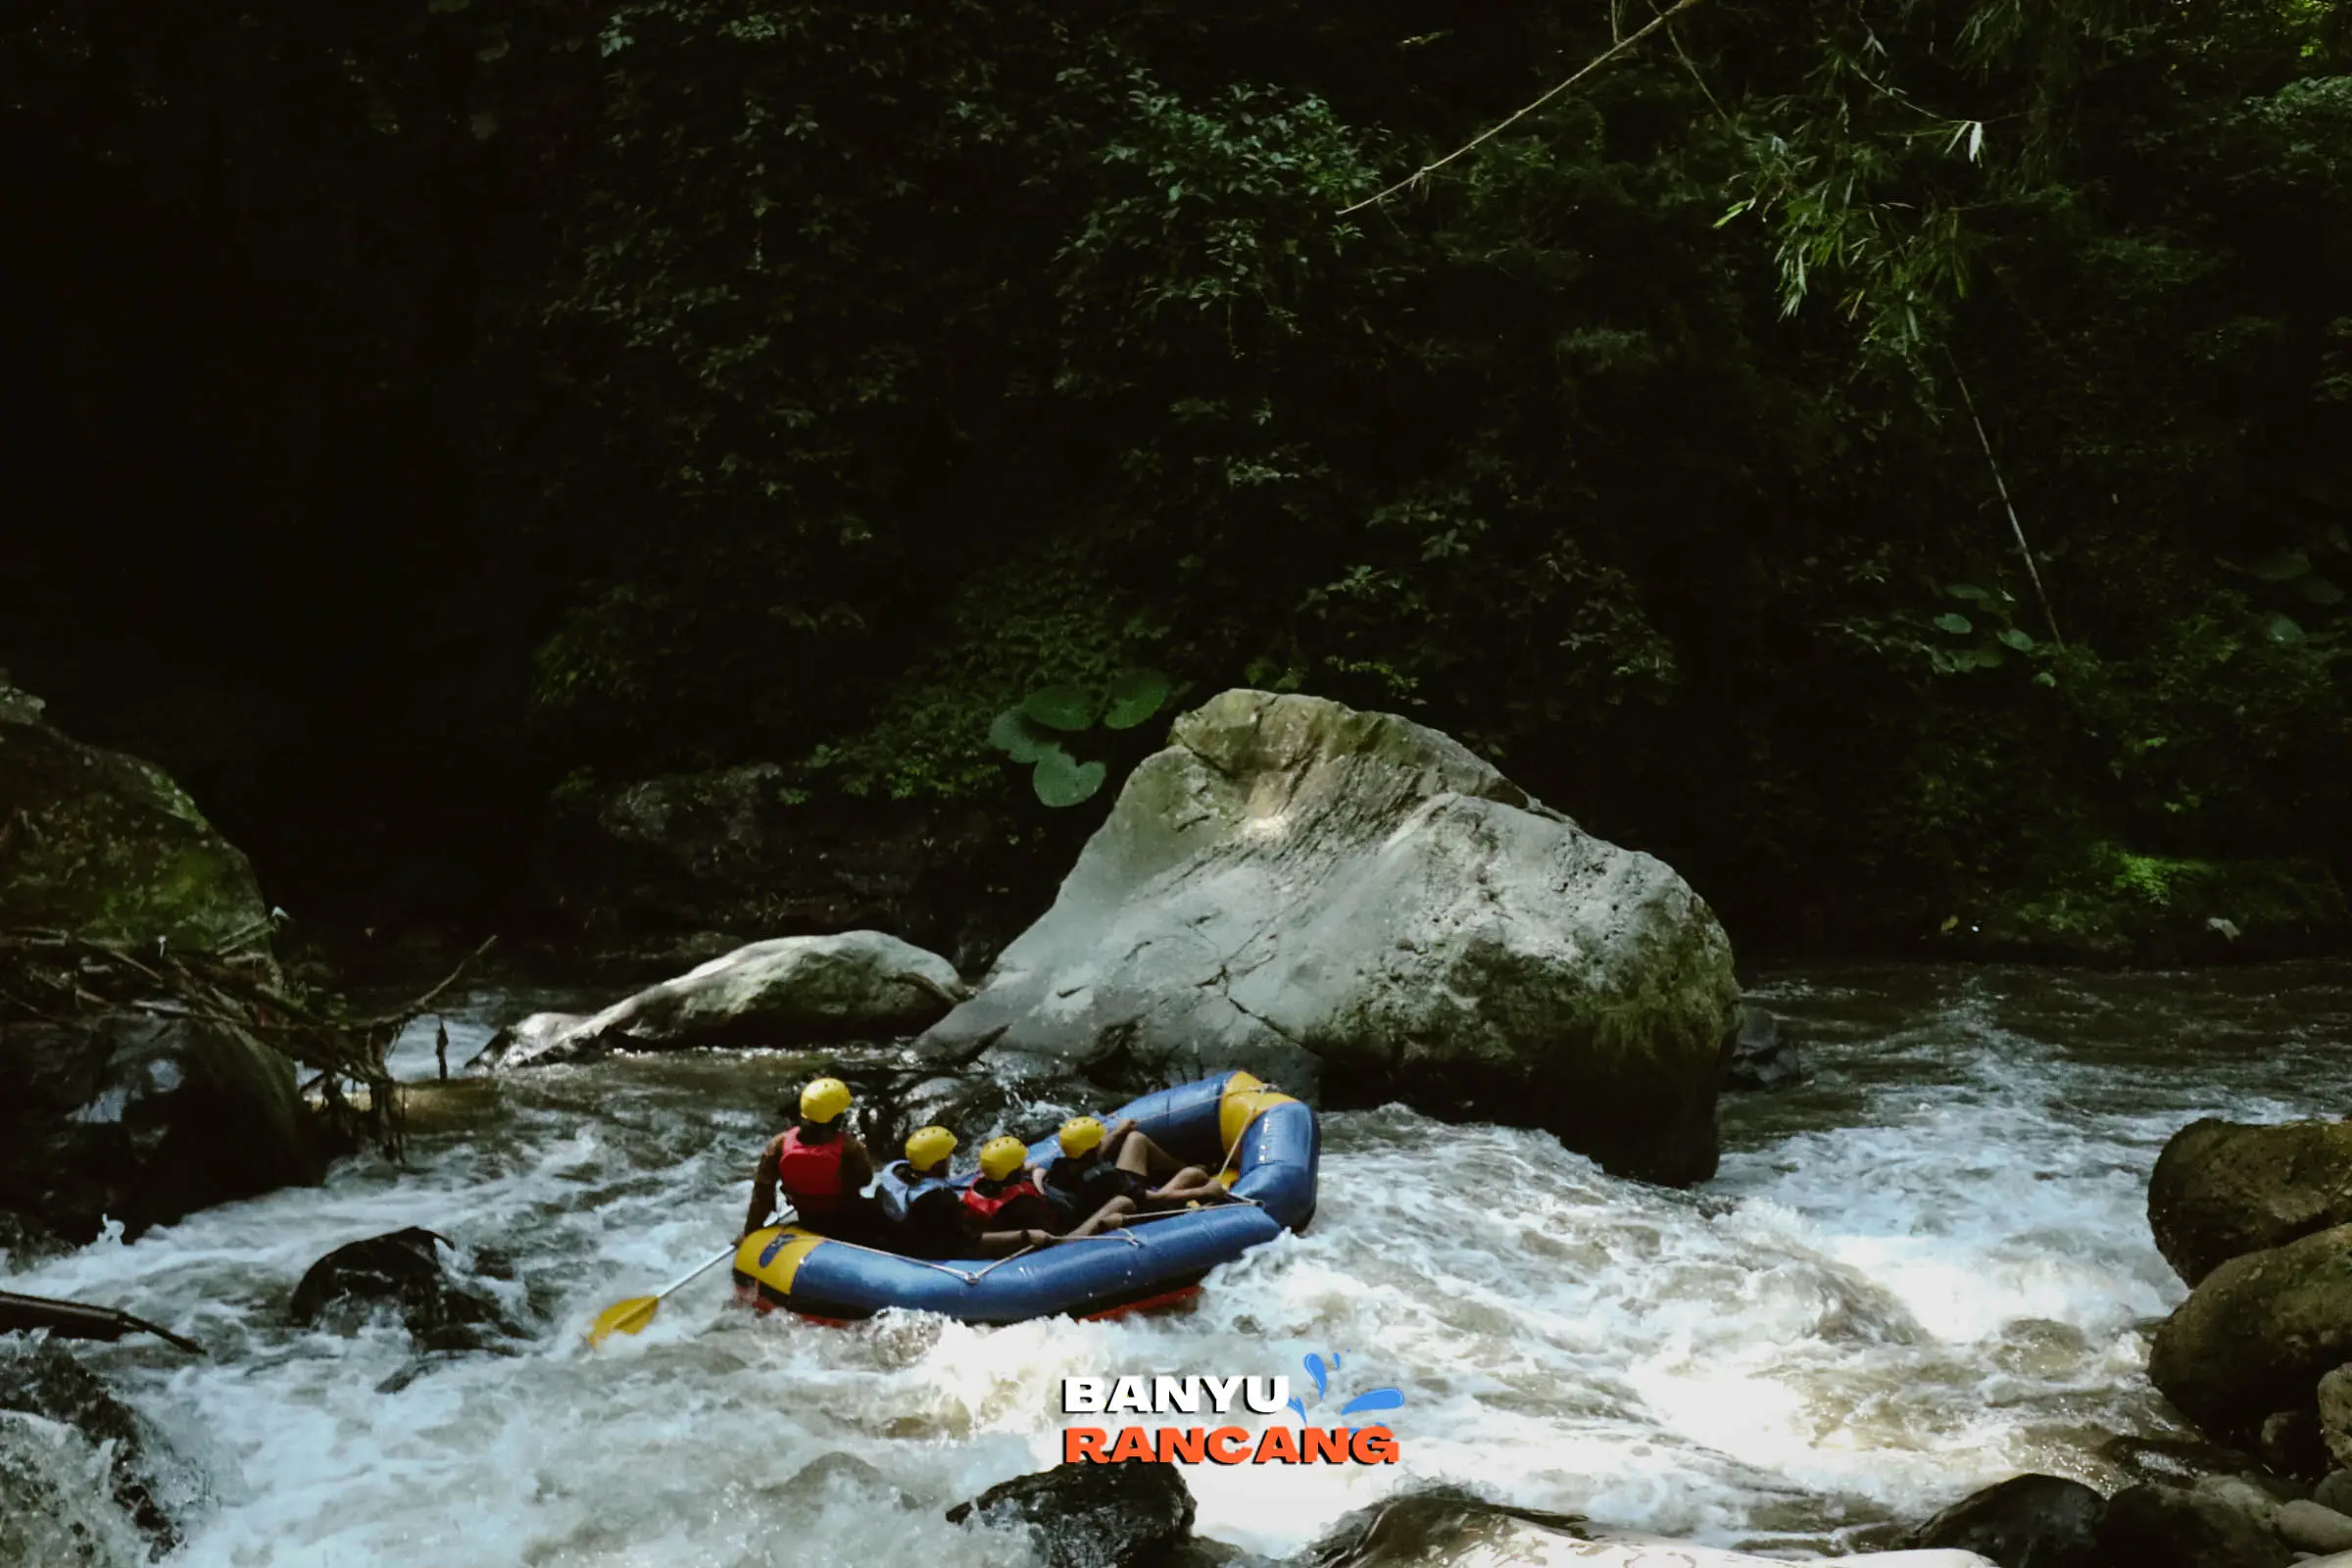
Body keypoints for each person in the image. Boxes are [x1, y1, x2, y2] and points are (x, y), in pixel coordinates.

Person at [743, 1077, 876, 1242]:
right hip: (845, 1218)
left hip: (806, 1217)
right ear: (837, 1118)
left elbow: (762, 1194)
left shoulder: (779, 1145)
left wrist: (750, 1231)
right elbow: (866, 1179)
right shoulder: (850, 1147)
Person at [1049, 1115, 1235, 1223]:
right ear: (1094, 1148)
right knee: (1192, 1175)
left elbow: (1090, 1155)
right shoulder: (1105, 1178)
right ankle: (1219, 1203)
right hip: (1140, 1208)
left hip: (1113, 1193)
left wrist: (1119, 1132)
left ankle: (1182, 1166)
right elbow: (1154, 1200)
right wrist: (1203, 1191)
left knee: (1135, 1139)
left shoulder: (1062, 1166)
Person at [960, 1135, 1080, 1255]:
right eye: (1020, 1165)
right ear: (1012, 1174)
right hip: (1043, 1231)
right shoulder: (1023, 1205)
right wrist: (1040, 1191)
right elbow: (1055, 1237)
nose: (1023, 1166)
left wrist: (1036, 1177)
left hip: (997, 1229)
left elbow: (1028, 1168)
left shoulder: (982, 1183)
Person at [873, 1125, 968, 1260]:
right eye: (949, 1156)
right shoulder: (940, 1199)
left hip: (895, 1239)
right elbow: (964, 1240)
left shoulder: (894, 1173)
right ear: (937, 1164)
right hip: (924, 1252)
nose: (950, 1160)